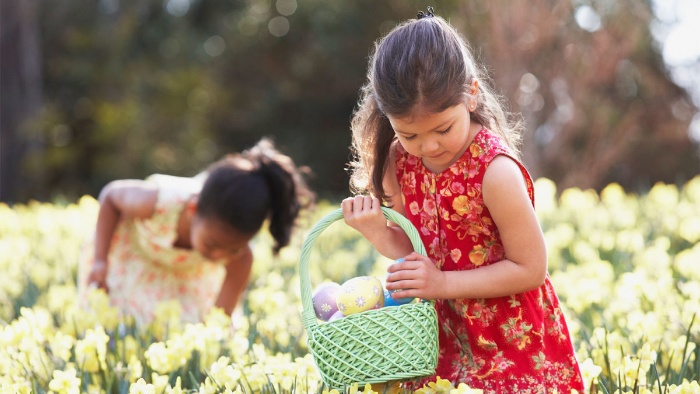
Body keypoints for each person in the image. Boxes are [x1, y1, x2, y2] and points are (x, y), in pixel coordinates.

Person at [342, 8, 585, 393]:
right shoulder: (399, 161)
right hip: (444, 336)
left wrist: (440, 283)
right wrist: (378, 232)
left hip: (510, 337)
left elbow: (530, 268)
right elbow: (414, 248)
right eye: (410, 134)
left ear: (470, 94)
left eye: (443, 128)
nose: (429, 145)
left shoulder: (495, 171)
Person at [78, 138, 314, 326]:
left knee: (178, 329)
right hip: (133, 262)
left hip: (185, 281)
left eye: (233, 249)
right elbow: (110, 196)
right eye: (212, 244)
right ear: (192, 210)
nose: (218, 256)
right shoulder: (156, 202)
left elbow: (218, 323)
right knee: (115, 325)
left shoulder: (241, 260)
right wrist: (100, 261)